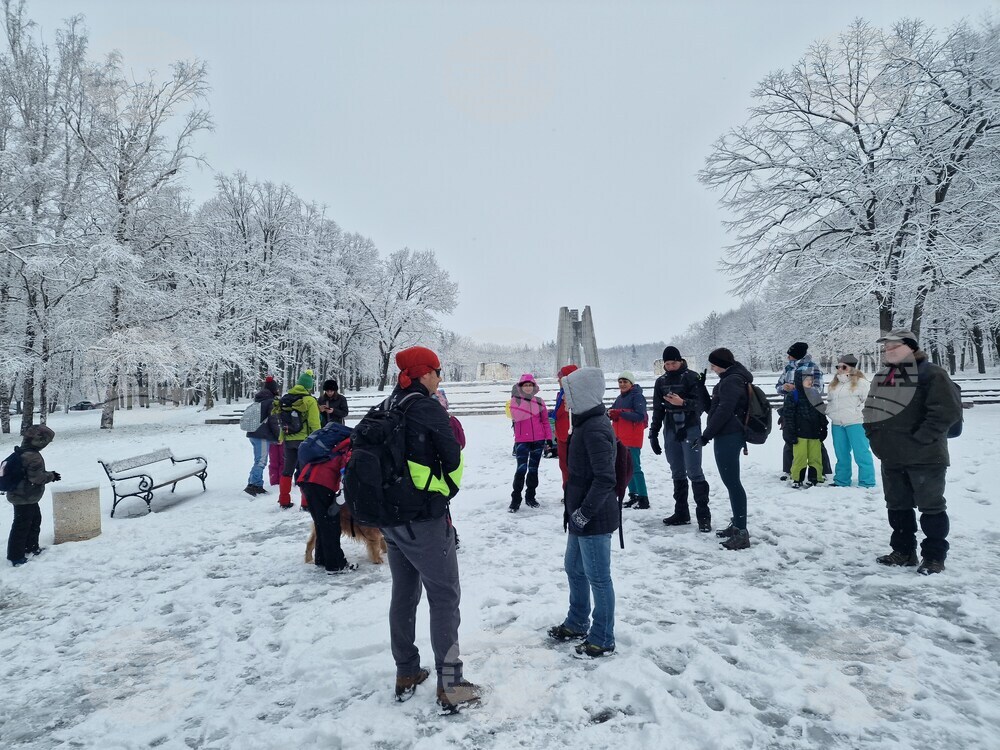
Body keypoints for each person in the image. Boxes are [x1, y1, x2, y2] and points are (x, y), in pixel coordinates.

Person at [379, 345, 480, 711]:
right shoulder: (425, 408)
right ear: (423, 373)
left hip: (390, 521)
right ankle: (451, 685)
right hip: (424, 521)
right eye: (438, 369)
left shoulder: (388, 405)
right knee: (444, 597)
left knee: (404, 593)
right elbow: (452, 458)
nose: (441, 376)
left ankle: (406, 671)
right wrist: (443, 491)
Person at [864, 330, 962, 575]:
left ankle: (933, 557)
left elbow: (946, 412)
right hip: (891, 456)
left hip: (926, 456)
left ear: (910, 347)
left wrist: (922, 438)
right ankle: (904, 551)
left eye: (893, 346)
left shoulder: (933, 374)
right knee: (897, 506)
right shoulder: (883, 375)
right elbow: (871, 409)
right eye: (885, 348)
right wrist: (873, 435)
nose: (888, 351)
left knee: (931, 508)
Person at [547, 366, 618, 658]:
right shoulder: (584, 423)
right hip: (579, 514)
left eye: (570, 392)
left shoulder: (595, 428)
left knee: (598, 578)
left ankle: (602, 637)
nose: (566, 398)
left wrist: (584, 513)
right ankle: (577, 622)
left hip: (593, 517)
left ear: (584, 393)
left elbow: (605, 479)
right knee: (574, 569)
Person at [649, 346, 711, 530]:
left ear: (680, 360)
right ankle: (682, 512)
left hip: (690, 427)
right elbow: (658, 409)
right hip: (670, 428)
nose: (670, 366)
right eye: (666, 364)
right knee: (676, 470)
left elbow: (704, 404)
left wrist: (683, 402)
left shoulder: (692, 377)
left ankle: (703, 516)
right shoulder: (661, 381)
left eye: (673, 363)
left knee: (694, 471)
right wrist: (653, 433)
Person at [701, 348, 753, 550]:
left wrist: (707, 435)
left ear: (722, 363)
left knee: (732, 482)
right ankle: (738, 525)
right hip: (729, 434)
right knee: (731, 482)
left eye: (714, 365)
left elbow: (724, 411)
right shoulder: (731, 377)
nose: (712, 368)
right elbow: (715, 408)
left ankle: (741, 532)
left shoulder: (731, 380)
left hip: (729, 435)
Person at [776, 341, 831, 483]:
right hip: (790, 407)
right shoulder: (788, 368)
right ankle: (788, 470)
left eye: (790, 355)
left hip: (809, 408)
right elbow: (778, 386)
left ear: (797, 355)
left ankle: (823, 470)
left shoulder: (812, 367)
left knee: (816, 440)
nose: (788, 357)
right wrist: (784, 387)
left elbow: (818, 388)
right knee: (789, 437)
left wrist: (799, 389)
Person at [6, 425, 60, 566]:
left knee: (34, 520)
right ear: (40, 441)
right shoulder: (33, 456)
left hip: (22, 495)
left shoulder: (21, 451)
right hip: (24, 496)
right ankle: (16, 556)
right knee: (22, 525)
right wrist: (51, 476)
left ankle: (31, 547)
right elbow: (36, 478)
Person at [273, 369, 321, 509]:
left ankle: (284, 501)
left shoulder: (286, 399)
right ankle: (306, 503)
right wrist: (318, 440)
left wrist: (282, 437)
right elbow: (314, 423)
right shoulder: (309, 400)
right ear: (309, 387)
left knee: (287, 470)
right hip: (304, 441)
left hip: (289, 440)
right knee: (304, 471)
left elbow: (282, 422)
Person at [826, 354, 876, 488]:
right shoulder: (833, 385)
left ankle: (867, 481)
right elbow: (830, 402)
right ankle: (841, 480)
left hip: (856, 422)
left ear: (852, 368)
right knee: (841, 454)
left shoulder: (862, 383)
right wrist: (830, 413)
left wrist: (857, 413)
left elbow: (868, 402)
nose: (839, 369)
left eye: (843, 367)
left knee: (861, 452)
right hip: (837, 423)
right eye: (838, 366)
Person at [506, 373, 552, 512]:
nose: (527, 388)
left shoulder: (539, 401)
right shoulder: (515, 401)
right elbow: (517, 416)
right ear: (520, 387)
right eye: (525, 385)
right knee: (521, 470)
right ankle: (516, 499)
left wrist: (548, 437)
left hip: (538, 439)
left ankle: (531, 496)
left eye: (530, 385)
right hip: (522, 440)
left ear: (534, 386)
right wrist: (526, 401)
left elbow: (544, 421)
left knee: (533, 470)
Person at [781, 366, 828, 489]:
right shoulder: (793, 395)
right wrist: (790, 433)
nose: (810, 381)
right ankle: (797, 478)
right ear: (798, 380)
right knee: (800, 458)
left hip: (815, 433)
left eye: (811, 378)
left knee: (815, 458)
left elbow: (821, 412)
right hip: (799, 434)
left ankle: (815, 477)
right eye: (807, 379)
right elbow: (789, 416)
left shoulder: (815, 394)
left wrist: (824, 428)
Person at [608, 371, 649, 509]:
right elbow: (616, 411)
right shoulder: (620, 397)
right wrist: (611, 413)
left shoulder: (637, 397)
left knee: (635, 468)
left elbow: (639, 416)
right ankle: (634, 495)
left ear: (631, 383)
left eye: (625, 382)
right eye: (620, 382)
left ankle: (643, 497)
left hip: (632, 438)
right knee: (626, 469)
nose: (622, 384)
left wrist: (620, 413)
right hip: (621, 438)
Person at [244, 377, 281, 496]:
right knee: (261, 461)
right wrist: (278, 436)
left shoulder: (259, 400)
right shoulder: (270, 402)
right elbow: (273, 420)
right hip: (262, 435)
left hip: (253, 433)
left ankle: (252, 482)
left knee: (258, 459)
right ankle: (255, 485)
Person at [551, 364, 579, 493]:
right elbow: (558, 414)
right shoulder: (561, 394)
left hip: (572, 436)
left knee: (573, 466)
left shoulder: (575, 395)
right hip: (562, 435)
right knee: (564, 466)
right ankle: (568, 490)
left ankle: (574, 492)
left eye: (561, 377)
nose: (558, 380)